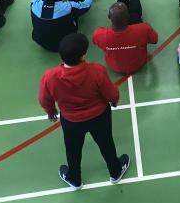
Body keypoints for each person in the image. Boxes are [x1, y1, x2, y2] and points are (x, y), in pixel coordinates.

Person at [39, 32, 131, 189]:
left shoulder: (50, 77)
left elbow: (44, 99)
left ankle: (75, 179)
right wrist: (114, 101)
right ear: (84, 55)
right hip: (99, 117)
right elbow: (111, 93)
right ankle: (115, 172)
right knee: (106, 144)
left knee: (72, 150)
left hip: (70, 121)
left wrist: (51, 112)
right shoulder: (97, 71)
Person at [93, 0, 159, 74]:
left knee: (119, 8)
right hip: (139, 63)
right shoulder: (143, 29)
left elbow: (96, 42)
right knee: (136, 14)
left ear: (109, 17)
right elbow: (155, 40)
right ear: (128, 17)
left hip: (115, 67)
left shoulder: (100, 34)